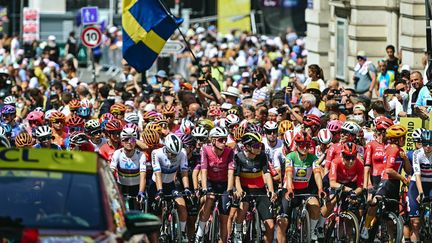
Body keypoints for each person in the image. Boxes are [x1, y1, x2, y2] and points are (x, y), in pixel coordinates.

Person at [278, 131, 325, 242]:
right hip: (290, 190)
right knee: (283, 222)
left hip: (305, 190)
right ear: (297, 145)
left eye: (307, 145)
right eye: (302, 145)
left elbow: (317, 174)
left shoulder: (313, 158)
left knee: (315, 206)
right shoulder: (291, 156)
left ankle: (311, 231)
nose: (305, 148)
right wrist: (290, 188)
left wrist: (320, 189)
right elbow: (289, 174)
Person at [233, 132, 277, 243]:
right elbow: (236, 176)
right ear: (247, 147)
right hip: (245, 190)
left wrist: (271, 190)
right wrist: (239, 190)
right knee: (244, 206)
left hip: (260, 191)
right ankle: (237, 231)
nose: (259, 148)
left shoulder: (262, 156)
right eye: (256, 146)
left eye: (261, 145)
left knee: (270, 226)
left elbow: (266, 173)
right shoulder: (238, 157)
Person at [195, 127, 234, 243]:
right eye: (221, 140)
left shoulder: (230, 151)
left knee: (224, 216)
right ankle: (200, 233)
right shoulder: (205, 150)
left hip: (224, 183)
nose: (224, 142)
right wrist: (204, 188)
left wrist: (230, 189)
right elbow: (204, 169)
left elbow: (231, 172)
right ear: (213, 141)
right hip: (210, 181)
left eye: (225, 139)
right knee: (210, 198)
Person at [149, 134, 190, 242]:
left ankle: (181, 233)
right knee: (157, 216)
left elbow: (184, 172)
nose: (174, 156)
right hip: (156, 184)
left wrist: (186, 188)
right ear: (166, 148)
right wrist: (160, 191)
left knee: (182, 207)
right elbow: (157, 174)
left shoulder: (182, 153)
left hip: (171, 184)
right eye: (171, 153)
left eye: (176, 154)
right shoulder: (156, 153)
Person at [110, 127, 146, 210]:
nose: (129, 142)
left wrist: (141, 192)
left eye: (133, 140)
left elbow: (143, 176)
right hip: (122, 186)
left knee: (136, 210)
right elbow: (112, 170)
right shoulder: (117, 153)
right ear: (122, 141)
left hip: (136, 187)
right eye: (126, 139)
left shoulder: (140, 155)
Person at [408, 130, 432, 242]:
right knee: (416, 223)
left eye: (431, 144)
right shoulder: (417, 153)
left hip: (430, 184)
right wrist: (421, 192)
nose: (428, 146)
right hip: (417, 184)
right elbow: (417, 175)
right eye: (425, 143)